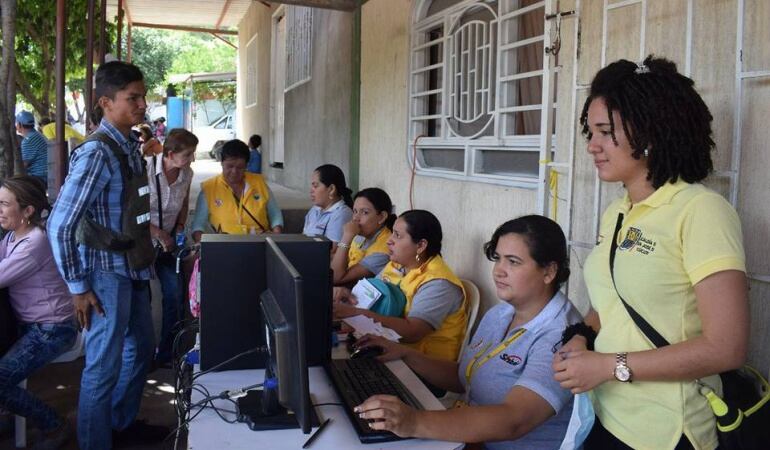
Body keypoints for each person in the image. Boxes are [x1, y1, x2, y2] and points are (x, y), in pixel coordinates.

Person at [552, 56, 748, 450]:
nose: (592, 146)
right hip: (604, 414)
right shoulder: (618, 212)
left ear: (652, 130)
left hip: (666, 431)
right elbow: (611, 305)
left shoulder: (700, 211)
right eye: (590, 132)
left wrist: (609, 367)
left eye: (606, 132)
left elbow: (726, 347)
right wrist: (580, 337)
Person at [355, 215, 580, 449]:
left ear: (549, 272)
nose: (499, 271)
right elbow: (465, 378)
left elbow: (515, 420)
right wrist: (403, 354)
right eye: (498, 259)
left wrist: (413, 421)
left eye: (513, 262)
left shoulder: (561, 335)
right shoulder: (500, 314)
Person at [47, 61, 166, 449]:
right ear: (104, 102)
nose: (142, 104)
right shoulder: (97, 153)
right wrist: (77, 287)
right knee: (103, 366)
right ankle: (95, 441)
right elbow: (61, 225)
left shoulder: (127, 144)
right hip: (103, 276)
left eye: (143, 96)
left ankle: (120, 424)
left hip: (130, 269)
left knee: (142, 347)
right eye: (132, 98)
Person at [0, 176, 77, 449]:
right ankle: (10, 410)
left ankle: (55, 425)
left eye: (4, 204)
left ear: (28, 211)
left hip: (52, 330)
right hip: (31, 326)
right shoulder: (12, 236)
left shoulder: (34, 243)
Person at [334, 210, 467, 362]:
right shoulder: (397, 265)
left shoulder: (439, 284)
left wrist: (356, 313)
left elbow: (412, 331)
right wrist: (347, 296)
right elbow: (373, 299)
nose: (388, 241)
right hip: (384, 347)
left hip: (420, 366)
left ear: (421, 245)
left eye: (397, 235)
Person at [146, 128, 196, 366]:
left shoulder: (187, 174)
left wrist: (179, 226)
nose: (191, 159)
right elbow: (131, 213)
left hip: (168, 246)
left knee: (175, 294)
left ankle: (167, 353)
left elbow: (184, 203)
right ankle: (141, 355)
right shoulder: (145, 169)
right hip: (142, 244)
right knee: (140, 300)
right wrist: (157, 233)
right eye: (187, 155)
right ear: (169, 153)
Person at [191, 139, 283, 242]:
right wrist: (203, 246)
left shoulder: (259, 184)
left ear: (246, 165)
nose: (234, 171)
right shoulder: (209, 189)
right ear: (221, 162)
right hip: (225, 247)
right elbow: (198, 227)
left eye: (240, 167)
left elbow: (275, 215)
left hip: (260, 243)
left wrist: (276, 236)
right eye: (229, 166)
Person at [330, 187, 395, 285]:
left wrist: (346, 237)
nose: (356, 218)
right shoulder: (363, 234)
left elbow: (336, 278)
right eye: (355, 211)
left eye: (365, 212)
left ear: (382, 217)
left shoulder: (385, 249)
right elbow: (340, 258)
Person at [303, 164, 353, 250]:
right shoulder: (314, 210)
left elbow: (332, 251)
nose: (311, 190)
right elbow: (302, 238)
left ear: (331, 189)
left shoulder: (341, 214)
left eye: (315, 186)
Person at [15, 111, 48, 186]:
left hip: (39, 178)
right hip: (45, 175)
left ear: (20, 125)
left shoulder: (28, 140)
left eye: (16, 123)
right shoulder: (36, 135)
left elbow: (22, 165)